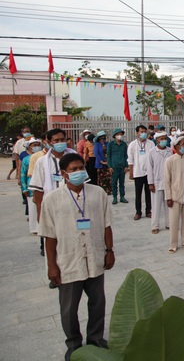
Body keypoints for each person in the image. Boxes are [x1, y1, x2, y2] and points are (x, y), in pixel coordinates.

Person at [40, 153, 114, 361]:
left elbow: (107, 224)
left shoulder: (97, 193)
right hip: (68, 260)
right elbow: (49, 235)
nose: (79, 172)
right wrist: (51, 266)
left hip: (95, 256)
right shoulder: (52, 199)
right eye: (73, 169)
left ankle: (95, 339)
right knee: (69, 308)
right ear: (63, 174)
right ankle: (73, 343)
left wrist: (110, 251)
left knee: (98, 302)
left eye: (81, 167)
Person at [30, 128, 79, 287]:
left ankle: (73, 270)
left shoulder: (73, 157)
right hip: (52, 207)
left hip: (72, 205)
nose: (60, 143)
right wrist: (40, 214)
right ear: (49, 142)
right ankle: (53, 273)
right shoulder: (42, 162)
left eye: (62, 139)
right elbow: (38, 191)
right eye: (56, 140)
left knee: (73, 239)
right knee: (52, 242)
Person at [164, 135, 184, 253]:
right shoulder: (170, 160)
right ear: (176, 146)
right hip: (175, 195)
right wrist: (168, 197)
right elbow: (167, 180)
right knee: (174, 221)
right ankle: (173, 243)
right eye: (182, 144)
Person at [127, 125, 155, 220]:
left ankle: (148, 211)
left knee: (149, 193)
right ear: (137, 133)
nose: (143, 133)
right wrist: (131, 173)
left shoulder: (151, 143)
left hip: (149, 172)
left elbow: (153, 158)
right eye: (141, 131)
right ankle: (138, 212)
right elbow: (130, 160)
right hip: (137, 172)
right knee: (138, 194)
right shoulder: (132, 145)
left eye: (145, 131)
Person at [147, 132, 173, 234]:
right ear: (157, 140)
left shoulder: (169, 151)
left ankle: (169, 223)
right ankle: (155, 225)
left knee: (168, 205)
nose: (163, 140)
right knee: (156, 205)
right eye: (161, 139)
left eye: (165, 138)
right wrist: (150, 183)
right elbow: (150, 168)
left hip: (168, 182)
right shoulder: (152, 152)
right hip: (156, 182)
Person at [20, 138, 41, 236]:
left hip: (41, 185)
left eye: (38, 144)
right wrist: (24, 188)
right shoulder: (26, 159)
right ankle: (34, 228)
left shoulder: (43, 157)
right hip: (30, 186)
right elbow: (23, 174)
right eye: (34, 145)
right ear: (30, 147)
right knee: (32, 209)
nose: (36, 146)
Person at [106, 129, 128, 205]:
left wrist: (126, 166)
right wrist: (110, 166)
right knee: (114, 182)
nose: (119, 136)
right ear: (114, 136)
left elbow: (126, 155)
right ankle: (115, 197)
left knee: (122, 183)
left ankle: (122, 196)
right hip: (114, 166)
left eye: (121, 134)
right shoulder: (111, 144)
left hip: (122, 166)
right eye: (118, 134)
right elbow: (108, 155)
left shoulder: (124, 144)